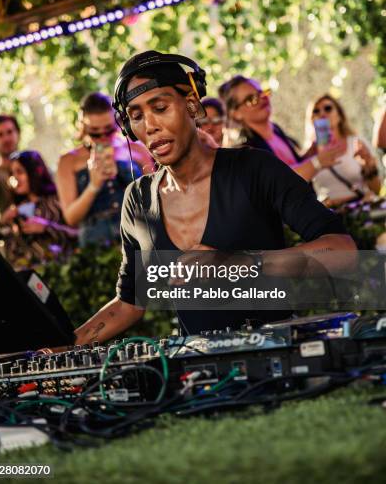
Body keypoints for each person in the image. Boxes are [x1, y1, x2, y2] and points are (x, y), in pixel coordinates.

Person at [74, 51, 356, 345]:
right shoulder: (138, 200)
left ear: (192, 105)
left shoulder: (254, 169)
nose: (150, 125)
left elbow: (342, 252)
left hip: (272, 357)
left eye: (160, 107)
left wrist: (240, 263)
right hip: (197, 374)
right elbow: (129, 303)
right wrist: (60, 347)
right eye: (136, 116)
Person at [57, 92, 152, 247]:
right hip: (96, 245)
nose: (103, 137)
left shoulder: (136, 149)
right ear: (83, 126)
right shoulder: (68, 161)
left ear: (118, 122)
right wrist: (93, 185)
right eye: (94, 132)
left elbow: (158, 199)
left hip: (140, 236)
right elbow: (71, 218)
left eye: (108, 130)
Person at [219, 75, 343, 181]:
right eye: (251, 99)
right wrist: (317, 162)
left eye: (261, 93)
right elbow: (278, 182)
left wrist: (312, 150)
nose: (262, 99)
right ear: (235, 113)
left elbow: (294, 166)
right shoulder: (246, 149)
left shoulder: (276, 130)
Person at [0, 150, 76, 269]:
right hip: (32, 279)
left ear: (35, 171)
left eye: (19, 172)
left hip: (63, 271)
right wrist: (7, 226)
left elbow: (78, 235)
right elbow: (12, 258)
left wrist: (46, 227)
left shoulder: (58, 200)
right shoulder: (16, 210)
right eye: (12, 174)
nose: (15, 179)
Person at [305, 94, 381, 207]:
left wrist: (368, 165)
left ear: (339, 115)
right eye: (316, 111)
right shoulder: (310, 153)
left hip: (360, 210)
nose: (322, 114)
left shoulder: (357, 143)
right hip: (329, 215)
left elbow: (376, 189)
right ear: (311, 120)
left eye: (328, 108)